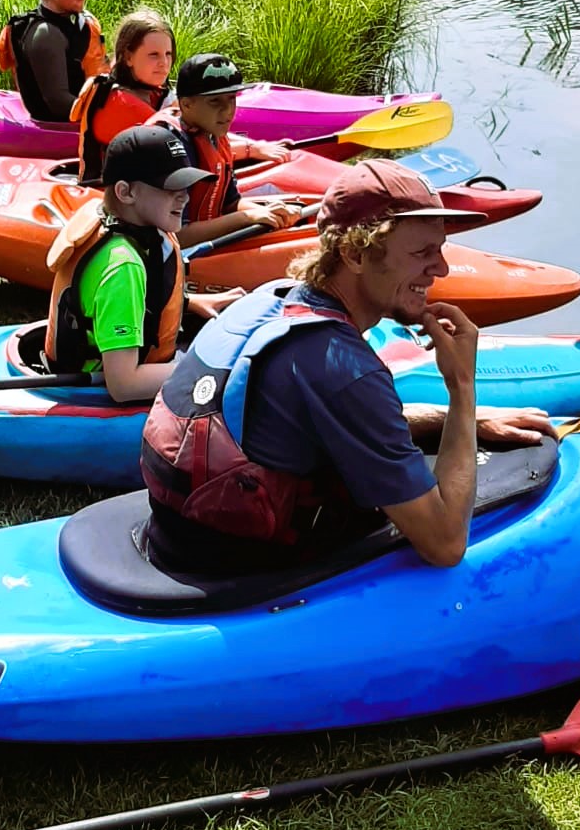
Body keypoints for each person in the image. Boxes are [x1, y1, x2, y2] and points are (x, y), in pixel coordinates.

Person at [141, 159, 555, 575]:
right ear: (355, 253)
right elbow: (445, 544)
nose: (441, 269)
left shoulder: (269, 299)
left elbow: (339, 418)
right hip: (240, 567)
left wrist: (460, 422)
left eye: (441, 250)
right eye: (421, 253)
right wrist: (462, 388)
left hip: (177, 534)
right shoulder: (342, 367)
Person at [45, 126, 233, 405]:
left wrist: (190, 302)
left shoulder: (115, 222)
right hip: (98, 392)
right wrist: (210, 370)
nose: (185, 197)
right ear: (126, 192)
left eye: (186, 186)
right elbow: (124, 385)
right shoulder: (123, 267)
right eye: (170, 187)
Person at [165, 52, 301, 247]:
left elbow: (230, 203)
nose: (228, 111)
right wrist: (247, 217)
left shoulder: (214, 136)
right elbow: (177, 236)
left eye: (231, 98)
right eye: (215, 101)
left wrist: (268, 212)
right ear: (186, 104)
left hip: (209, 243)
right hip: (184, 256)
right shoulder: (172, 149)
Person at [0, 0, 108, 125]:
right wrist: (111, 117)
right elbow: (58, 103)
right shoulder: (46, 35)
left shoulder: (74, 22)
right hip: (60, 129)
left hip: (82, 118)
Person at [73, 7, 175, 181]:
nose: (164, 63)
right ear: (128, 57)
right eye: (154, 55)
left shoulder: (148, 89)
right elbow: (182, 148)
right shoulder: (120, 103)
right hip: (114, 197)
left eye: (168, 54)